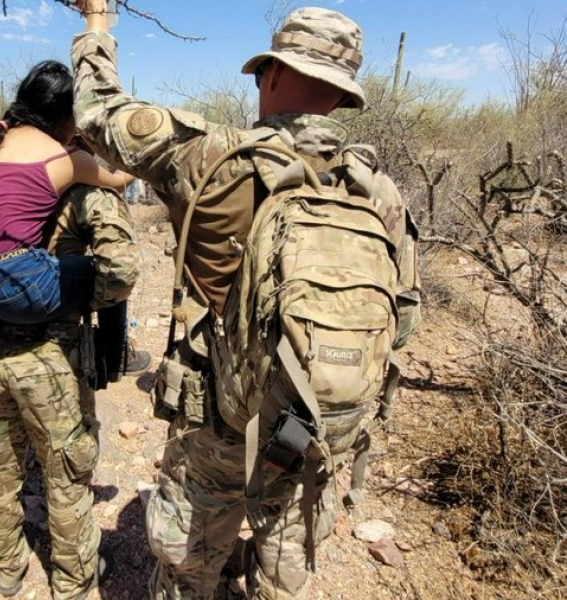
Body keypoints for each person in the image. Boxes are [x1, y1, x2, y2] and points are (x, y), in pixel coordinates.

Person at [71, 3, 421, 599]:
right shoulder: (378, 191)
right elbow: (402, 324)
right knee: (286, 566)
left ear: (273, 75)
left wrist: (97, 26)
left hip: (218, 427)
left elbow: (96, 111)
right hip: (313, 428)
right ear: (340, 98)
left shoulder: (214, 159)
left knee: (188, 570)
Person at [0, 182, 142, 598]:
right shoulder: (85, 192)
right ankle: (73, 580)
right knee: (66, 471)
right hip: (54, 361)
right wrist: (79, 302)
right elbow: (120, 270)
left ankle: (7, 569)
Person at [0, 59, 133, 328]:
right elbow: (117, 182)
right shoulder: (68, 158)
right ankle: (115, 357)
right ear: (66, 116)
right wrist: (144, 166)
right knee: (111, 273)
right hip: (18, 289)